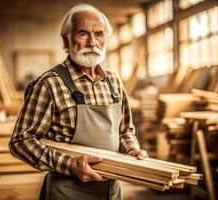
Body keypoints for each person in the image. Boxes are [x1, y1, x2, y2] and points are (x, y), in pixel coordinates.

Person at [9, 4, 148, 200]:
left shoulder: (114, 81)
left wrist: (132, 150)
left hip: (111, 191)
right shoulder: (49, 84)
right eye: (83, 34)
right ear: (67, 39)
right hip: (67, 192)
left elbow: (125, 131)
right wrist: (68, 164)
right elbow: (21, 141)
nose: (92, 42)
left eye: (99, 34)